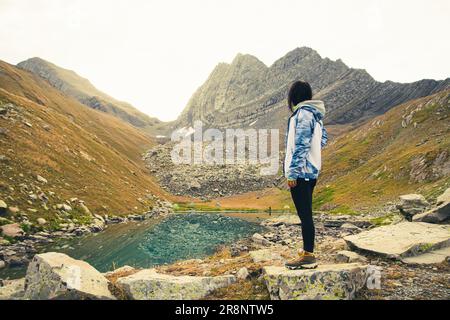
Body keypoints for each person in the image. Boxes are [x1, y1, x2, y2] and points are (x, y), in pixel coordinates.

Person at [283, 80, 328, 269]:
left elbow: (301, 145)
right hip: (311, 171)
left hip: (301, 173)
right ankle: (307, 251)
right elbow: (322, 139)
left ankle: (308, 256)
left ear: (294, 96)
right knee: (306, 213)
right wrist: (313, 155)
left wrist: (292, 172)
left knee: (305, 215)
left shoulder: (302, 114)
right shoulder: (316, 116)